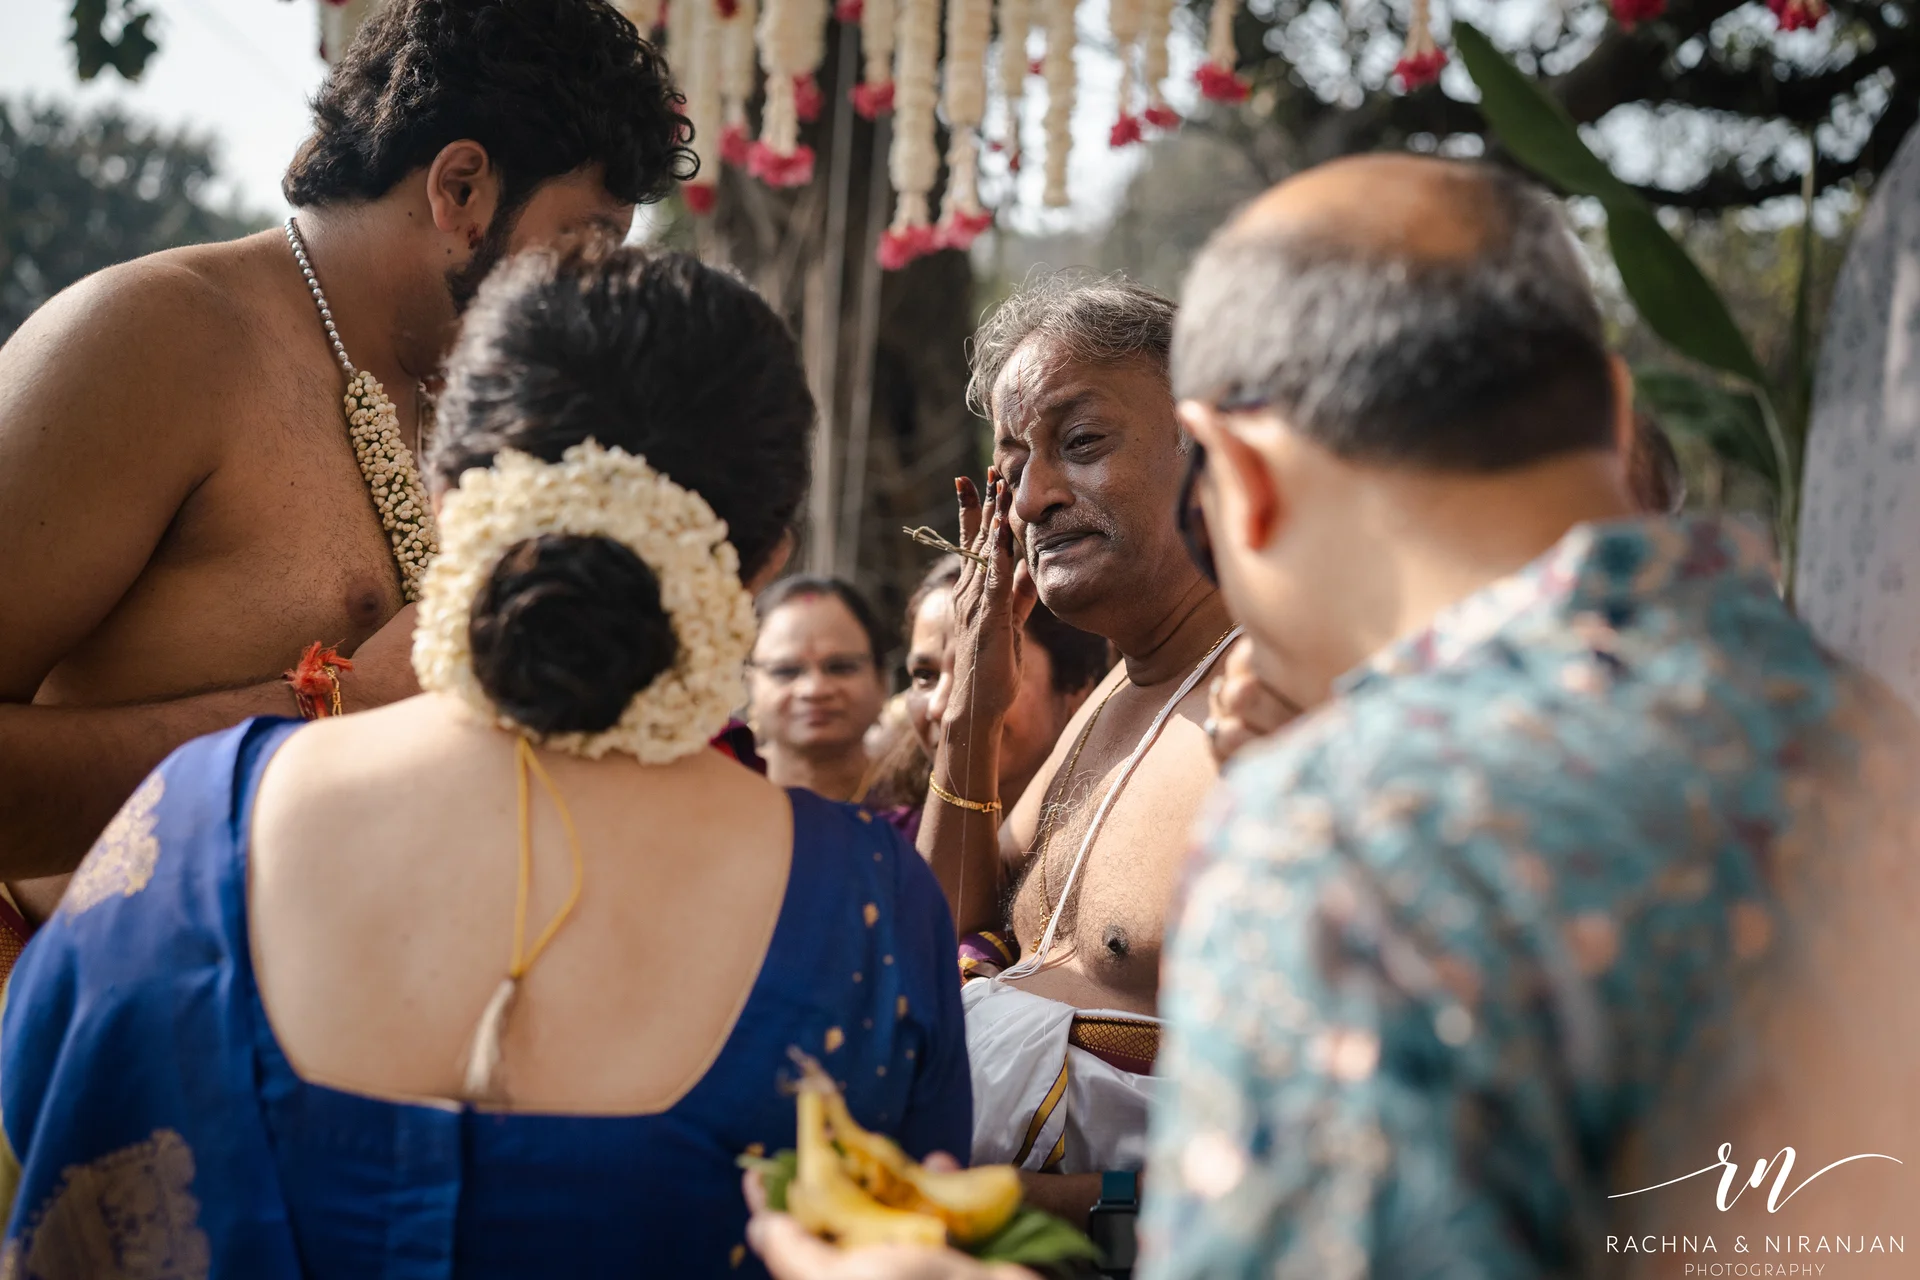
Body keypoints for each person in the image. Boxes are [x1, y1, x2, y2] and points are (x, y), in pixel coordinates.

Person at [746, 153, 1920, 1280]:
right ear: (1615, 407)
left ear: (1234, 480)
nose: (1035, 493)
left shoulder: (1347, 824)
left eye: (1085, 441)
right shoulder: (1874, 738)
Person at [0, 245, 972, 1277]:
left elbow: (51, 1115)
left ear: (439, 488)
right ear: (769, 549)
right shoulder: (873, 911)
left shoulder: (188, 828)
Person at [0, 0, 692, 956]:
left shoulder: (482, 412)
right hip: (111, 1056)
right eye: (585, 244)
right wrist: (334, 709)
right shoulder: (159, 340)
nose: (587, 295)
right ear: (461, 190)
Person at [920, 275, 1239, 1223]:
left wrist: (1090, 1205)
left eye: (1082, 442)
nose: (1034, 497)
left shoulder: (1282, 702)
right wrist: (968, 721)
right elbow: (937, 931)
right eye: (1013, 464)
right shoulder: (1111, 697)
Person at [899, 555, 1109, 815]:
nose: (939, 708)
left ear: (1075, 685)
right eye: (924, 675)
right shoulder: (883, 849)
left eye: (981, 670)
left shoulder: (1123, 838)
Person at [749, 577, 894, 802]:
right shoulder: (719, 796)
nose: (814, 690)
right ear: (750, 684)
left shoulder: (915, 803)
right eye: (786, 671)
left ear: (882, 680)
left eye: (840, 667)